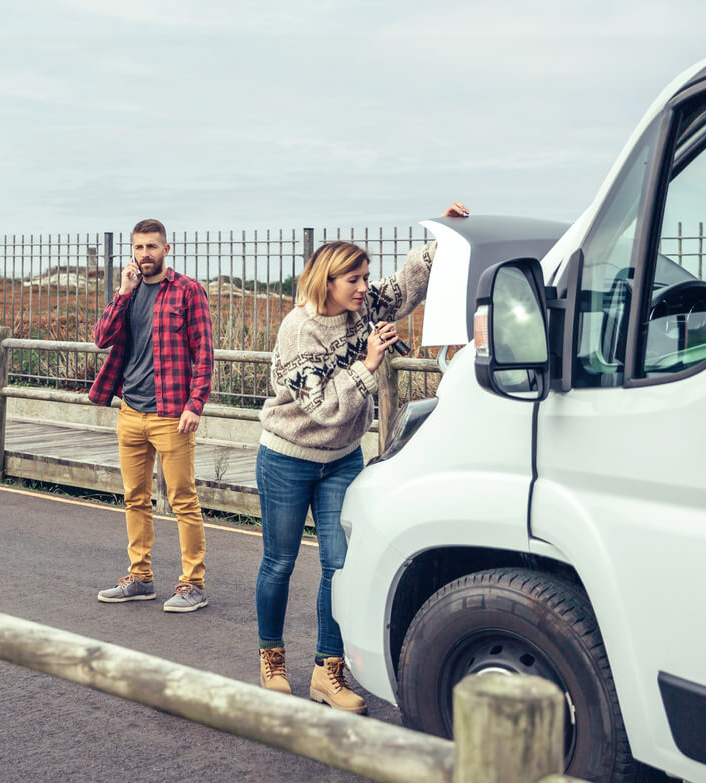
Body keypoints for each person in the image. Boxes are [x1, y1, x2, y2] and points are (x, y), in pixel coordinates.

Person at [255, 202, 469, 713]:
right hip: (288, 457)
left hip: (341, 459)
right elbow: (324, 409)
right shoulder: (297, 329)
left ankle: (328, 671)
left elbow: (406, 285)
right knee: (280, 562)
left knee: (339, 564)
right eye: (353, 278)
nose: (363, 287)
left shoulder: (364, 306)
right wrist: (370, 362)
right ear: (326, 282)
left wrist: (446, 240)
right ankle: (272, 657)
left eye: (365, 277)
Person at [89, 218, 214, 613]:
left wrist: (195, 404)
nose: (146, 254)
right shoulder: (128, 292)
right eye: (139, 247)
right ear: (133, 251)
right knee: (134, 499)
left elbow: (205, 353)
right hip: (130, 411)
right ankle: (140, 578)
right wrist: (123, 293)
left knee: (182, 500)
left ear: (166, 249)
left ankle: (193, 583)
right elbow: (101, 338)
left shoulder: (188, 291)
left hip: (171, 414)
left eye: (152, 247)